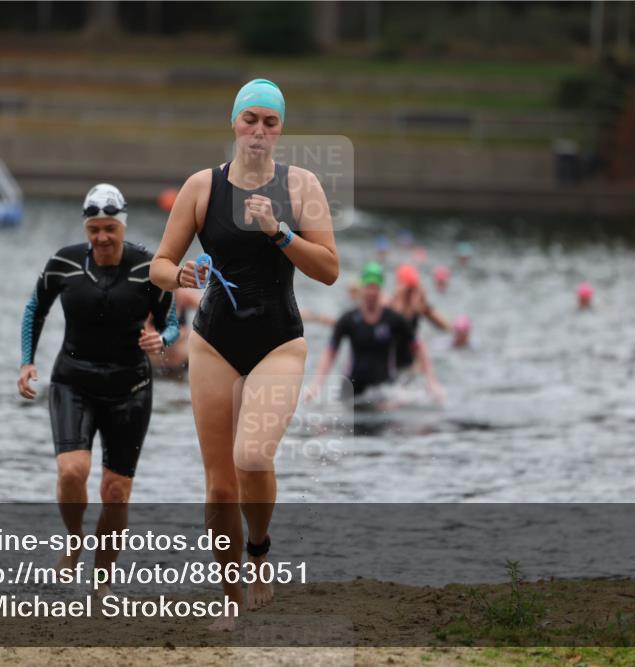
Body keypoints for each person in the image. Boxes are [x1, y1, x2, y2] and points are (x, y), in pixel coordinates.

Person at [149, 78, 339, 629]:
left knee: (253, 457)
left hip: (279, 340)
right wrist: (179, 275)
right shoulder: (201, 187)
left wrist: (279, 232)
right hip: (214, 342)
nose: (258, 130)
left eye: (270, 122)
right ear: (234, 123)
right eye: (250, 119)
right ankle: (230, 598)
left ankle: (259, 552)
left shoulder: (301, 185)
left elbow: (329, 269)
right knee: (218, 487)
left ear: (281, 130)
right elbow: (160, 264)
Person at [17, 183, 179, 592]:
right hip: (74, 381)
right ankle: (74, 539)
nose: (102, 237)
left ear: (122, 225)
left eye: (110, 228)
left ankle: (102, 581)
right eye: (94, 230)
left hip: (131, 387)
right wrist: (27, 361)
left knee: (116, 491)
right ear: (85, 229)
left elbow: (172, 323)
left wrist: (161, 340)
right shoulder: (64, 262)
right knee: (73, 470)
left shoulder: (149, 267)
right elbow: (36, 307)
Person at [309, 261, 443, 402]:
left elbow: (418, 346)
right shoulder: (349, 319)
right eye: (369, 287)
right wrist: (316, 384)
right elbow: (330, 351)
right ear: (362, 289)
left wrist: (432, 382)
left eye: (375, 288)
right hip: (353, 390)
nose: (372, 292)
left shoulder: (393, 319)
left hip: (384, 390)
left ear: (381, 289)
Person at [387, 263, 450, 370]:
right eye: (409, 290)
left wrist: (425, 308)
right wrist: (399, 298)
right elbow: (393, 324)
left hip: (410, 359)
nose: (410, 294)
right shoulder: (391, 304)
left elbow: (446, 327)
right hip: (392, 359)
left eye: (413, 289)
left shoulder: (419, 305)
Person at [145, 288, 202, 376]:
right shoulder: (152, 300)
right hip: (158, 352)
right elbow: (144, 331)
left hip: (178, 350)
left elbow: (208, 309)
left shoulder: (184, 296)